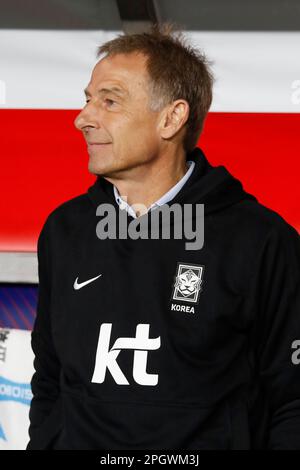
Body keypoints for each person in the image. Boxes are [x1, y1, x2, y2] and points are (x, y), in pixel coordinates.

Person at [26, 22, 300, 450]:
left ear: (171, 118)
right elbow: (49, 377)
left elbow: (292, 398)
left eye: (109, 101)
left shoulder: (261, 240)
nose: (83, 118)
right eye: (87, 99)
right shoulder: (65, 230)